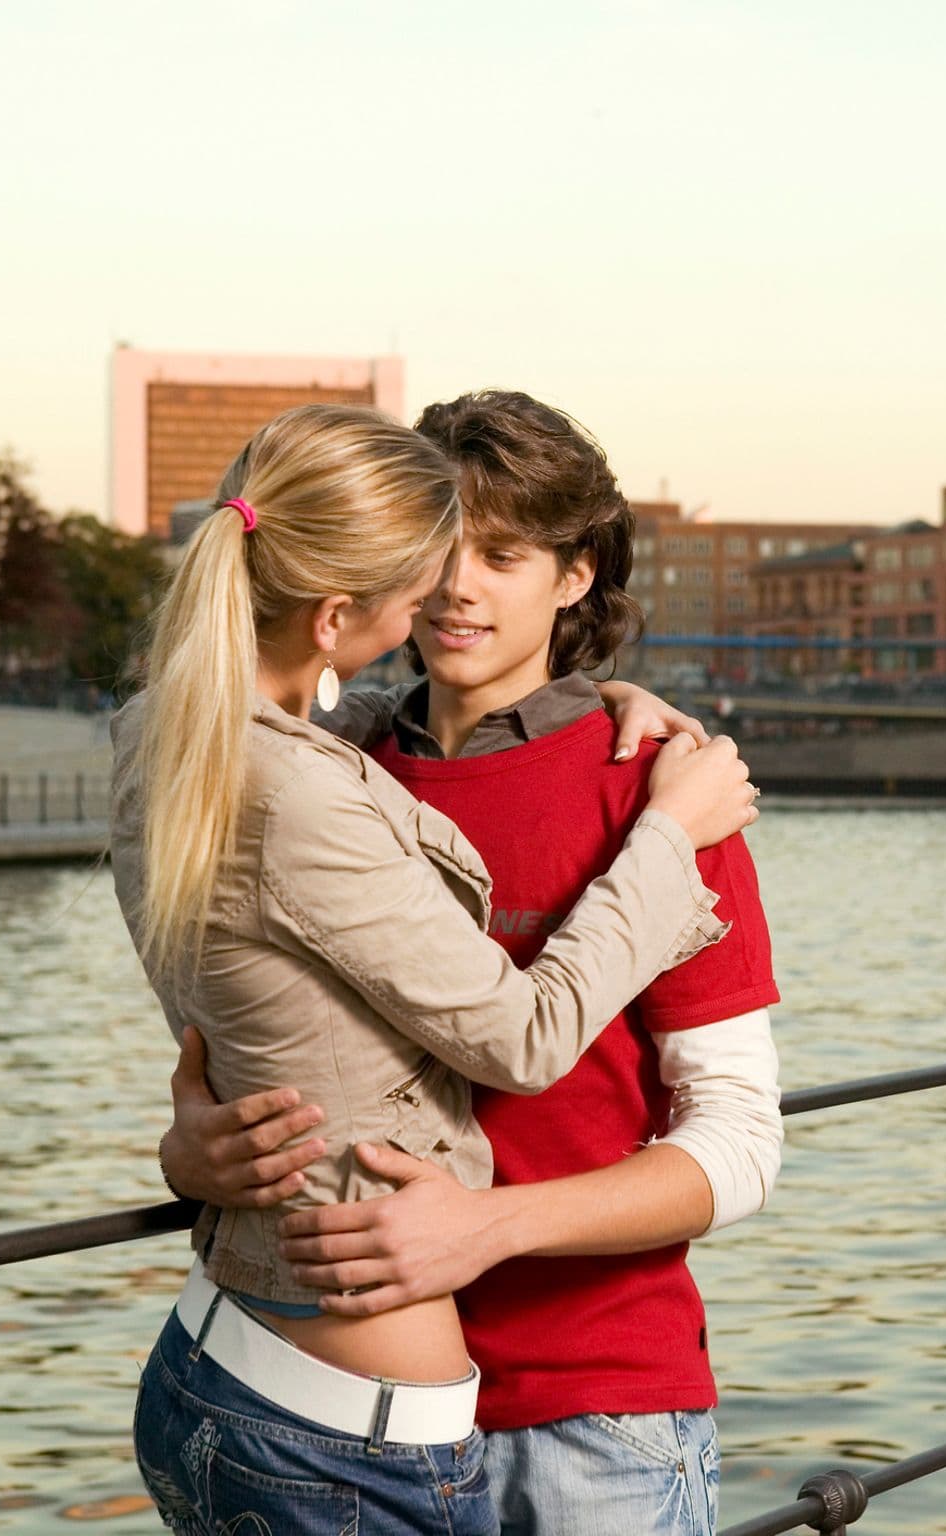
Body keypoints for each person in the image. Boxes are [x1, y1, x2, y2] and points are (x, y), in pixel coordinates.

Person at [108, 402, 760, 1536]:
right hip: (327, 1377)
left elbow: (740, 1145)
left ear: (575, 576)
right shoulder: (326, 766)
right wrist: (189, 1149)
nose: (454, 588)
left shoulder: (658, 793)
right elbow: (251, 1031)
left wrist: (491, 1224)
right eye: (434, 554)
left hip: (591, 1411)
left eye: (500, 556)